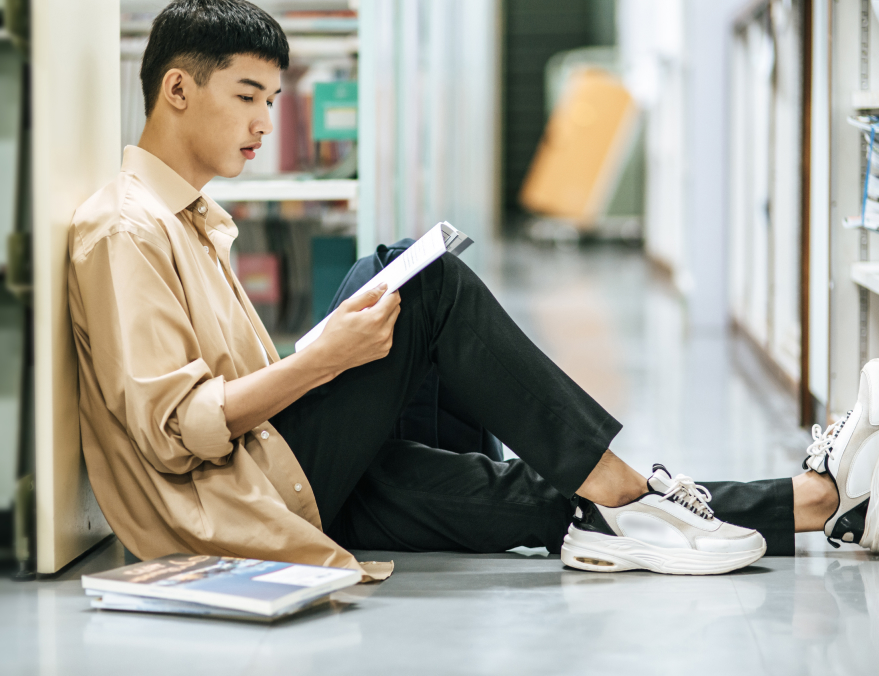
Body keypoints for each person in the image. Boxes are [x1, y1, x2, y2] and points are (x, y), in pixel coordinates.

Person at [66, 0, 871, 579]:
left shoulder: (189, 219)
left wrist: (325, 353)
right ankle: (625, 488)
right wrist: (324, 360)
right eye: (248, 97)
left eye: (272, 102)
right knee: (430, 286)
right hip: (236, 499)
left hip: (278, 467)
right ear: (178, 90)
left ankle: (809, 503)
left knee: (519, 470)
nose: (265, 124)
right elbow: (179, 431)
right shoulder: (126, 229)